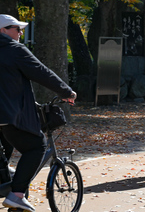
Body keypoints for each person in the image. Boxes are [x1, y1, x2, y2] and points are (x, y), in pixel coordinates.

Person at [0, 14, 77, 212]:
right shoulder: (13, 49)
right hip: (8, 114)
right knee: (36, 147)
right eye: (17, 29)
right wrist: (66, 92)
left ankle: (6, 181)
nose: (20, 33)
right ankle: (16, 195)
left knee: (5, 150)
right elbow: (41, 72)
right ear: (3, 30)